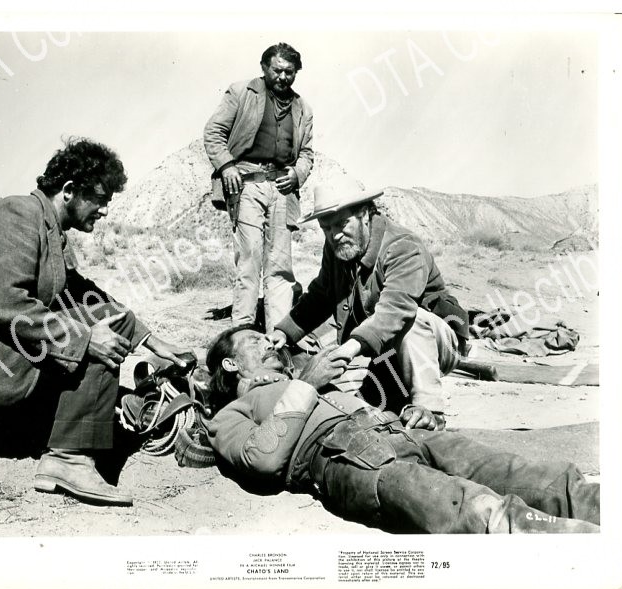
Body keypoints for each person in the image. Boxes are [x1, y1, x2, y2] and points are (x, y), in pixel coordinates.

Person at [0, 137, 191, 505]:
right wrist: (84, 339)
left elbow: (82, 293)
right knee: (97, 333)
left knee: (109, 319)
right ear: (69, 190)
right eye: (100, 199)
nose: (105, 210)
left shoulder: (48, 228)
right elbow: (5, 305)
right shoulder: (17, 214)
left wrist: (150, 340)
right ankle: (68, 459)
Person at [201, 326, 600, 534]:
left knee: (527, 476)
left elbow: (361, 406)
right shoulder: (230, 414)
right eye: (254, 341)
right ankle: (577, 552)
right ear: (231, 364)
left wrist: (411, 413)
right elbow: (264, 459)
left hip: (400, 430)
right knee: (473, 510)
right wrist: (307, 383)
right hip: (349, 459)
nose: (268, 342)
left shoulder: (304, 381)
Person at [269, 175, 470, 426]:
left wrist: (350, 348)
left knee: (413, 318)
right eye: (326, 228)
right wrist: (284, 332)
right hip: (387, 353)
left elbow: (395, 309)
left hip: (436, 345)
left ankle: (431, 412)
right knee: (363, 415)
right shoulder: (337, 248)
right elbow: (320, 295)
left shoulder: (403, 246)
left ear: (364, 214)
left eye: (342, 224)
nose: (335, 235)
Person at [204, 42, 313, 332]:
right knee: (249, 259)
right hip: (247, 184)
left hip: (283, 189)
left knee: (280, 265)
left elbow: (307, 153)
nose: (283, 77)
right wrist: (226, 166)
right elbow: (214, 132)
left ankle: (279, 334)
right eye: (277, 70)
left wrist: (297, 174)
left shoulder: (302, 108)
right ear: (264, 67)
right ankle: (243, 331)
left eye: (289, 72)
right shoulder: (241, 92)